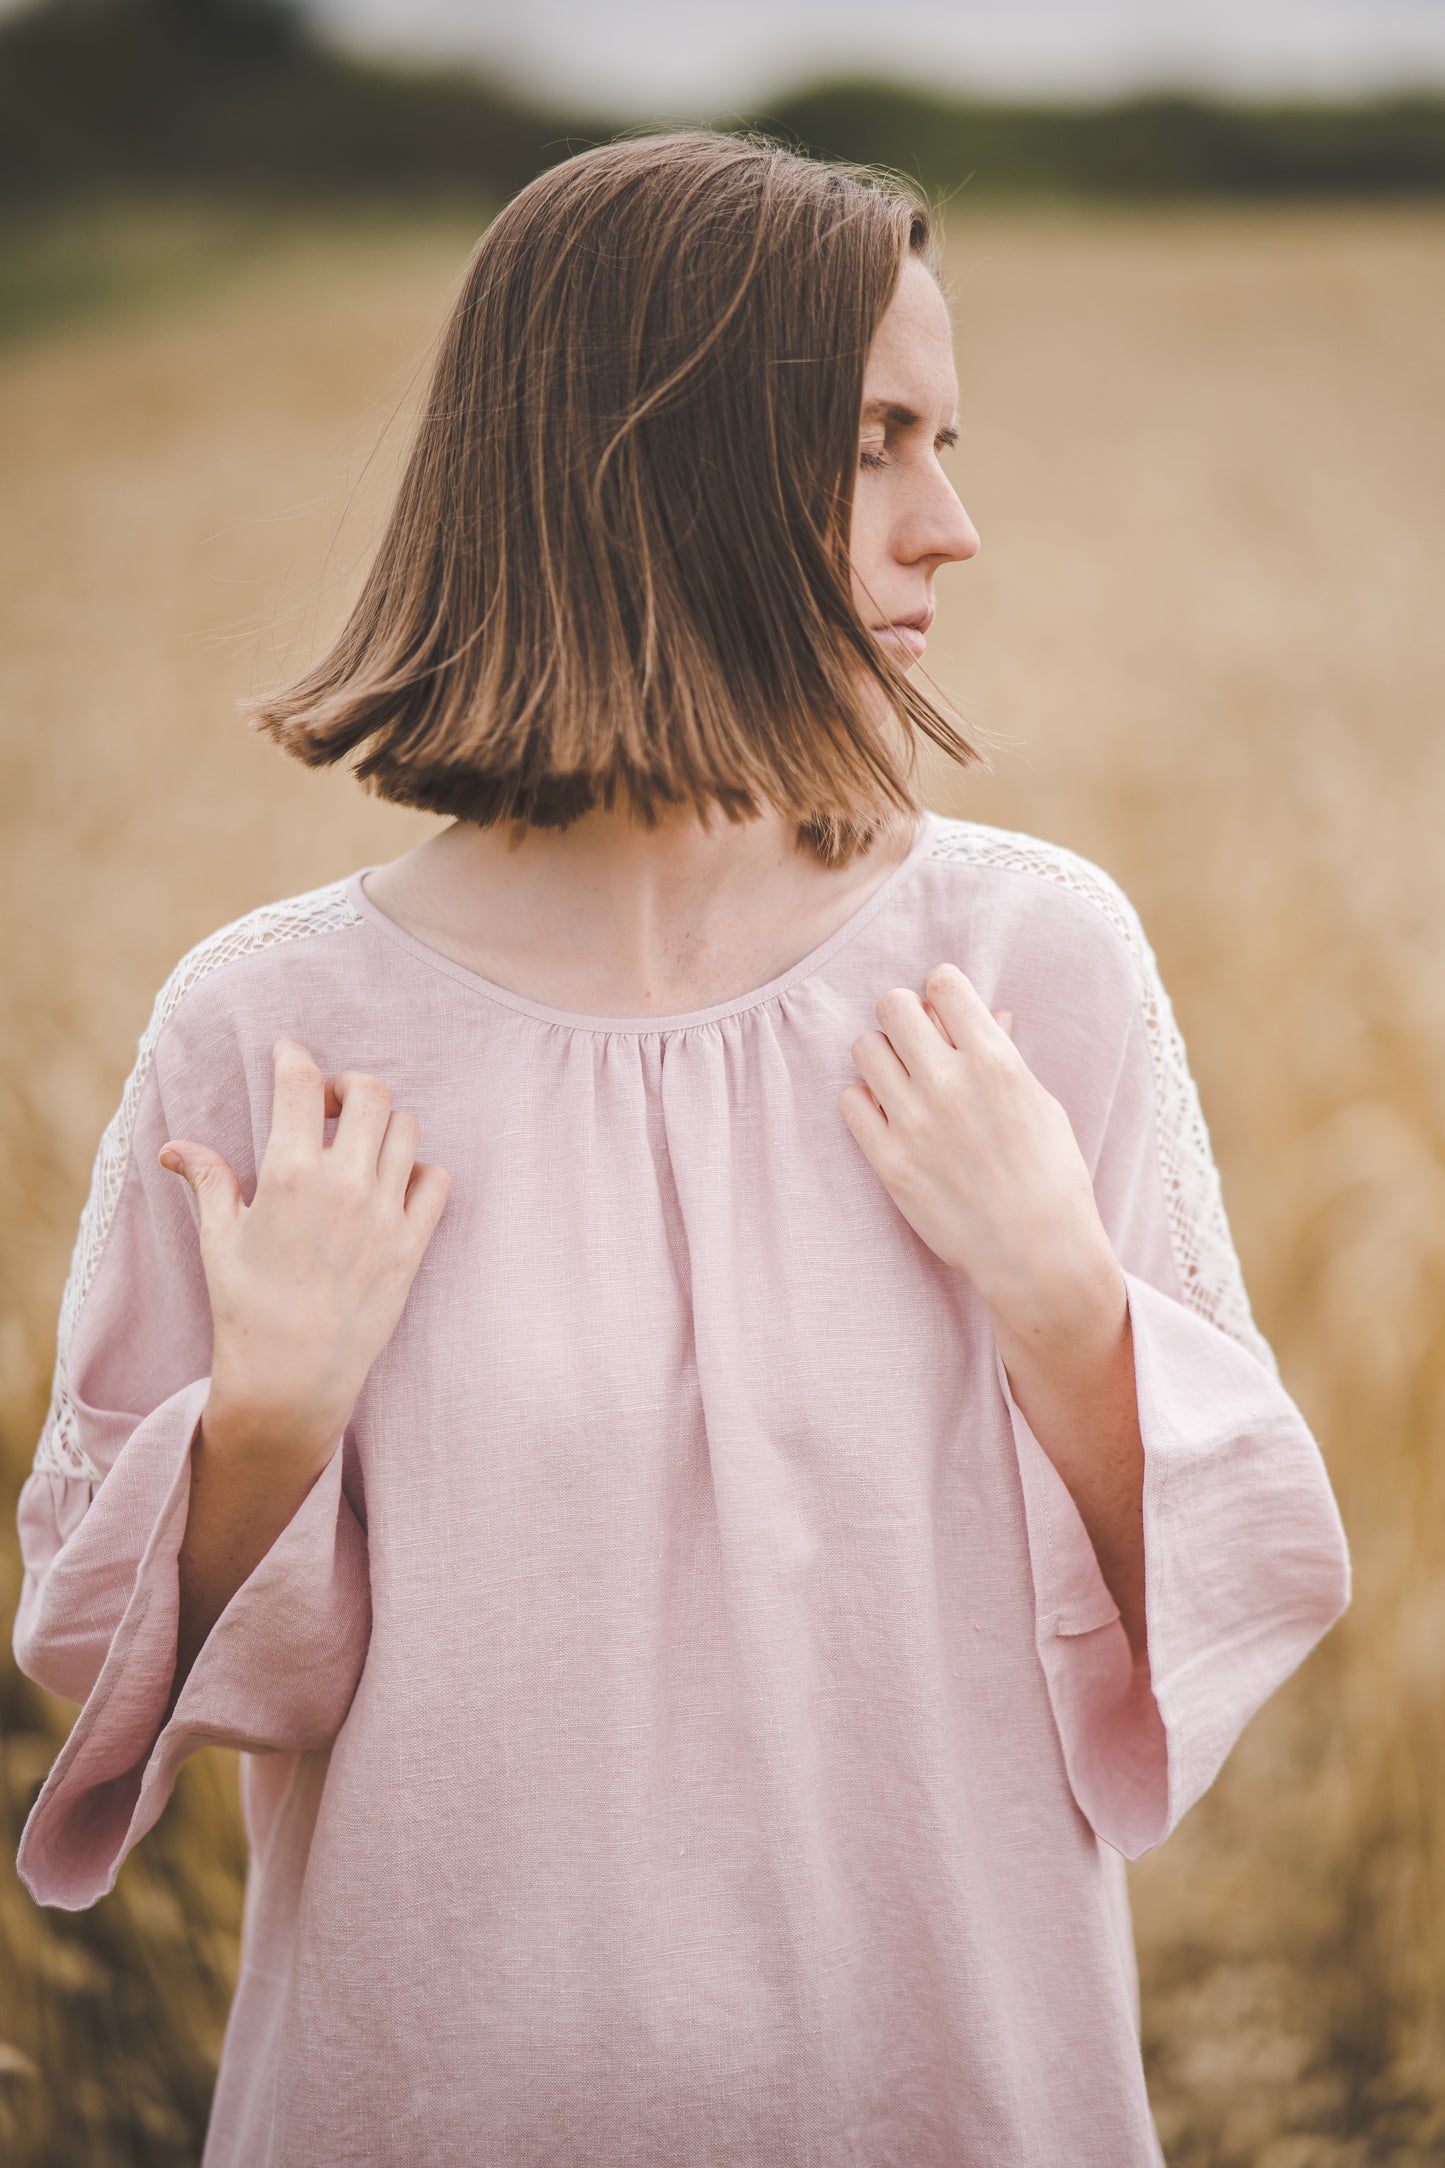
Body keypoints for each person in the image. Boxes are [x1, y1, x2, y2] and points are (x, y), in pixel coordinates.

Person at [13, 133, 1349, 2167]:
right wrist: (262, 1431)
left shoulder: (1027, 970)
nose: (955, 524)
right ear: (660, 464)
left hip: (943, 2092)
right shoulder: (271, 1032)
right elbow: (87, 1665)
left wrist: (1068, 1306)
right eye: (877, 443)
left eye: (948, 437)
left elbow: (1245, 1579)